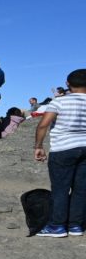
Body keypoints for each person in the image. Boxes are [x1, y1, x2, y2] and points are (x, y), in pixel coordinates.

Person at [34, 69, 86, 238]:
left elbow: (43, 124)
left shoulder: (59, 102)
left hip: (63, 149)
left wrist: (38, 146)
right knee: (81, 189)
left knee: (60, 189)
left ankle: (57, 226)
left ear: (67, 84)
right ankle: (76, 225)